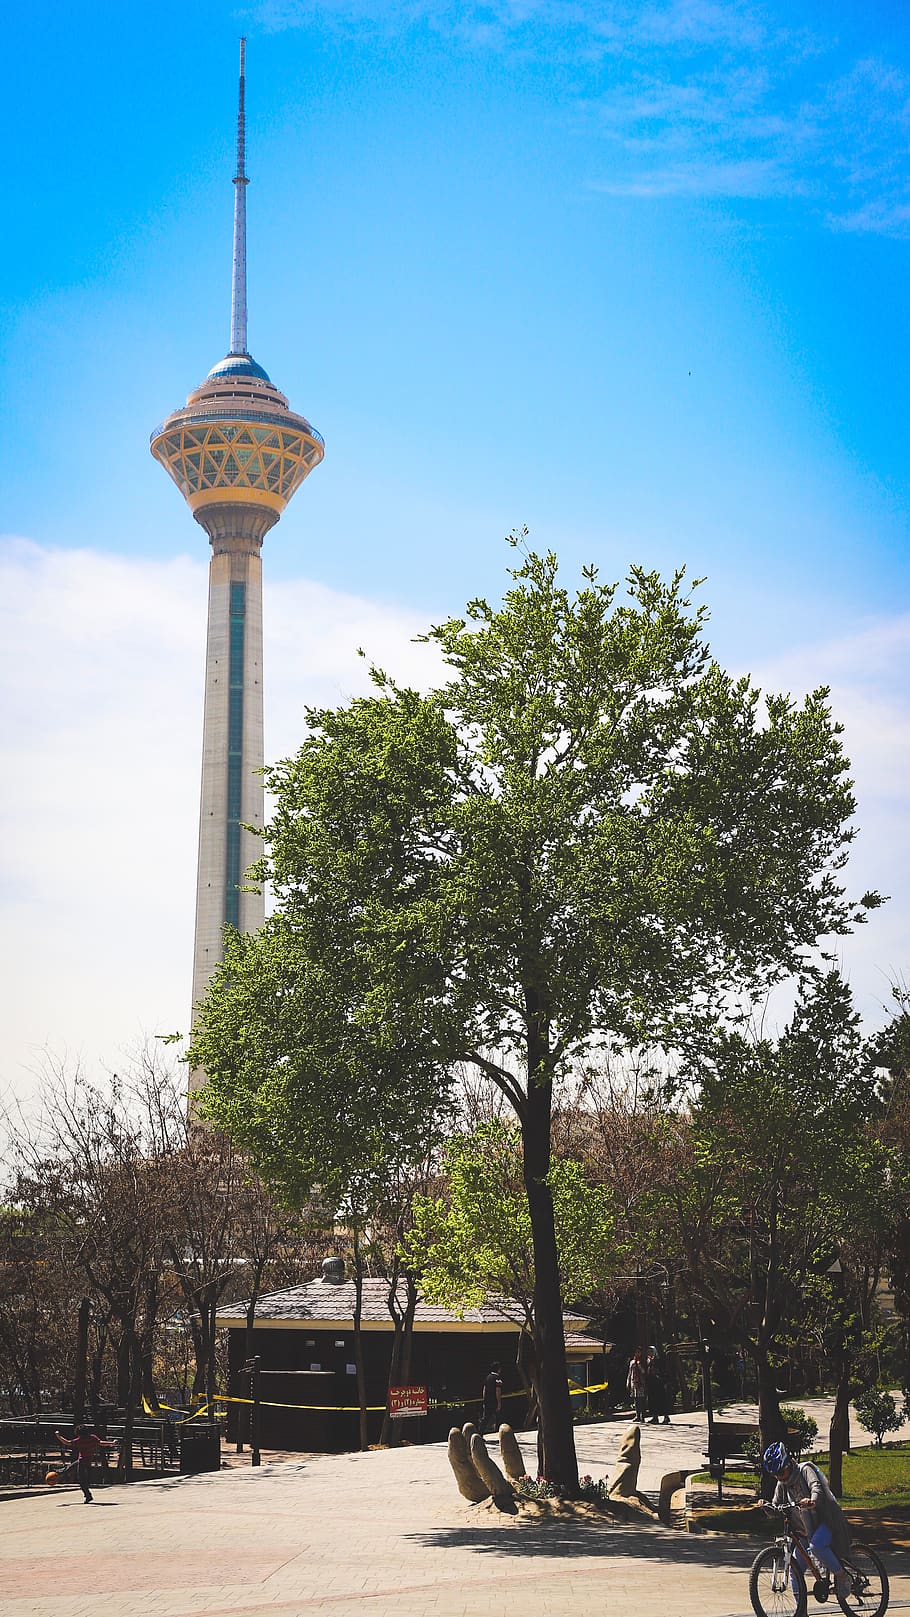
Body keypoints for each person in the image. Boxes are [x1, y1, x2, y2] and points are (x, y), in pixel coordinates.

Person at [763, 1441, 852, 1602]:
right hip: (804, 1531)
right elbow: (776, 1508)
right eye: (775, 1474)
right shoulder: (782, 1484)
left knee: (817, 1545)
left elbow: (816, 1487)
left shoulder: (805, 1469)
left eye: (781, 1472)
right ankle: (801, 1611)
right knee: (794, 1569)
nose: (780, 1477)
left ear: (788, 1463)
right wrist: (766, 1507)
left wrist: (812, 1501)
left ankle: (842, 1576)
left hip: (826, 1521)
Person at [54, 1423, 117, 1503]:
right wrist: (112, 1443)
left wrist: (58, 1436)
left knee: (82, 1480)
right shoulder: (92, 1438)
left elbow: (67, 1442)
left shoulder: (79, 1440)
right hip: (88, 1460)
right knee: (72, 1467)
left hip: (82, 1461)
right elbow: (101, 1443)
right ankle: (61, 1471)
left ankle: (88, 1496)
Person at [645, 1347, 670, 1423]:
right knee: (652, 1400)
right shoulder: (648, 1360)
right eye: (648, 1351)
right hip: (651, 1382)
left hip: (659, 1383)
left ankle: (666, 1417)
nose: (650, 1353)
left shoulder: (659, 1360)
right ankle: (655, 1417)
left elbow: (662, 1370)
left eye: (651, 1351)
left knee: (661, 1400)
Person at [480, 1361, 503, 1433]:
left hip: (487, 1401)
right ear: (498, 1369)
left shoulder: (488, 1377)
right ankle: (502, 1433)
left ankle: (480, 1432)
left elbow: (484, 1389)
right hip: (494, 1401)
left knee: (486, 1418)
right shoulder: (497, 1378)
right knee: (499, 1417)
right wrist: (499, 1402)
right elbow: (498, 1391)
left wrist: (484, 1400)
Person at [626, 1348, 647, 1423]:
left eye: (639, 1352)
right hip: (633, 1382)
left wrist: (639, 1365)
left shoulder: (643, 1361)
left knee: (641, 1399)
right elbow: (630, 1372)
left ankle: (642, 1416)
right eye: (636, 1352)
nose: (637, 1354)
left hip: (641, 1383)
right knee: (635, 1399)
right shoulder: (632, 1362)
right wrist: (628, 1382)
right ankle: (637, 1415)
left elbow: (644, 1372)